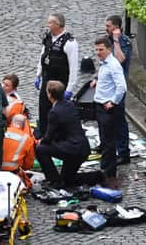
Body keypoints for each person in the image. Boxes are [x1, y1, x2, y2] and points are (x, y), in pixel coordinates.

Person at [35, 81, 103, 188]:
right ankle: (96, 176)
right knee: (68, 180)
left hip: (71, 149)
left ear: (49, 94)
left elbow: (48, 137)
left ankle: (54, 180)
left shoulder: (54, 112)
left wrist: (40, 141)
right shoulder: (70, 105)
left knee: (40, 149)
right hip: (81, 147)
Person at [34, 12, 78, 138]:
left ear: (57, 24)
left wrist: (70, 89)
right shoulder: (48, 37)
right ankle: (43, 134)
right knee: (43, 107)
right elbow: (43, 55)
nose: (47, 25)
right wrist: (38, 75)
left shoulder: (69, 43)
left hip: (60, 81)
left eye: (50, 23)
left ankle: (58, 136)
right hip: (47, 78)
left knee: (58, 112)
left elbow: (73, 67)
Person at [91, 36, 127, 189]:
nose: (98, 52)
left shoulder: (113, 65)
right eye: (96, 50)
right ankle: (105, 168)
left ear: (108, 49)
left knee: (108, 141)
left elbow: (122, 87)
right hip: (101, 105)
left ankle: (109, 172)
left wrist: (112, 102)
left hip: (108, 108)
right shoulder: (105, 63)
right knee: (104, 140)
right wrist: (97, 80)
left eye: (101, 50)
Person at [105, 15, 132, 165]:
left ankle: (123, 152)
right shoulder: (106, 39)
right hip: (107, 85)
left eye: (108, 26)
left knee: (119, 120)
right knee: (107, 118)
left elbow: (119, 59)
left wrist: (116, 41)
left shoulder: (124, 42)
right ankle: (108, 145)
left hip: (118, 86)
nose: (106, 28)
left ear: (116, 28)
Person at [2, 114, 35, 186]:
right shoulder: (27, 139)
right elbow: (28, 164)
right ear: (23, 126)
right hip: (13, 172)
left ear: (11, 122)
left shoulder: (1, 132)